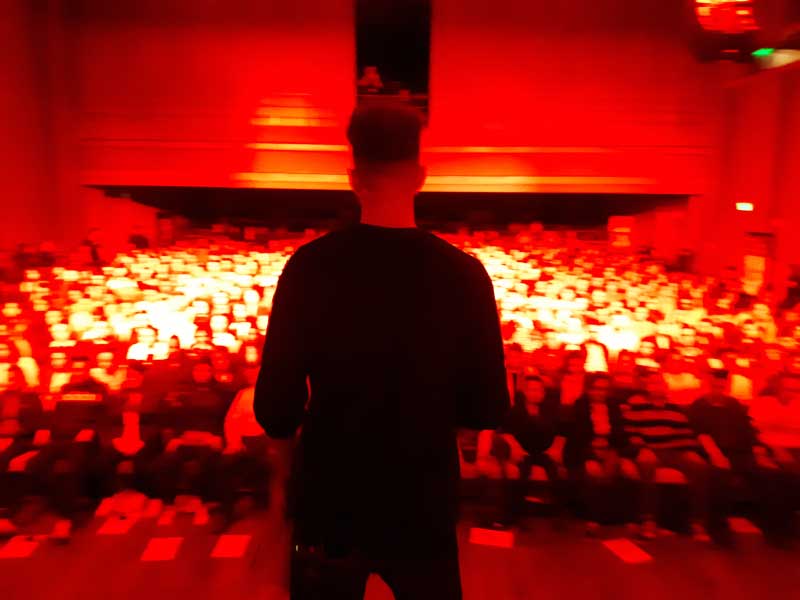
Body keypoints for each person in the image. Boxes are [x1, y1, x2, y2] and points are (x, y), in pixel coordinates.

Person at [254, 104, 508, 600]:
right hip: (422, 499)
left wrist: (282, 486)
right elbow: (489, 407)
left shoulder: (309, 267)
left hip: (330, 494)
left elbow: (277, 406)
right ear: (420, 177)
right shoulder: (464, 275)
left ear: (354, 179)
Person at [623, 370, 710, 541]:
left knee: (701, 468)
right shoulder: (636, 407)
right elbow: (631, 432)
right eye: (653, 383)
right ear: (647, 387)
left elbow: (685, 434)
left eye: (660, 383)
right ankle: (648, 521)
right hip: (649, 450)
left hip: (674, 452)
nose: (657, 387)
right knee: (647, 466)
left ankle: (697, 523)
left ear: (666, 387)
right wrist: (642, 449)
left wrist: (691, 451)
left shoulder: (676, 409)